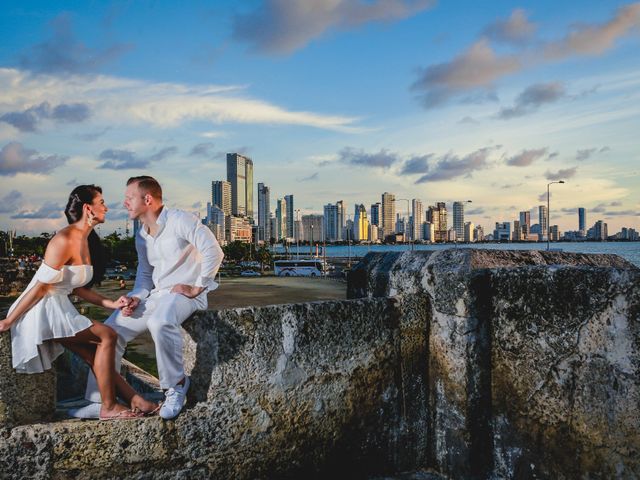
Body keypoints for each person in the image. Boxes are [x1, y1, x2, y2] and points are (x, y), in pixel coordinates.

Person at [0, 185, 158, 420]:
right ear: (88, 208)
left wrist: (112, 304)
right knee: (108, 335)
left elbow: (78, 288)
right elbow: (40, 286)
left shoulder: (84, 239)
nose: (106, 207)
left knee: (94, 355)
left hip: (58, 305)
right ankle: (109, 406)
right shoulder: (64, 239)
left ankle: (135, 399)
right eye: (101, 202)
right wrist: (9, 320)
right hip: (42, 309)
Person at [81, 176, 224, 420]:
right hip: (157, 295)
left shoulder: (179, 219)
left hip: (184, 294)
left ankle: (176, 385)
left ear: (147, 199)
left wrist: (197, 287)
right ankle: (100, 400)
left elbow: (214, 250)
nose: (125, 203)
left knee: (160, 321)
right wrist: (136, 297)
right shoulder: (141, 236)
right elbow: (146, 275)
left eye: (129, 198)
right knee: (109, 331)